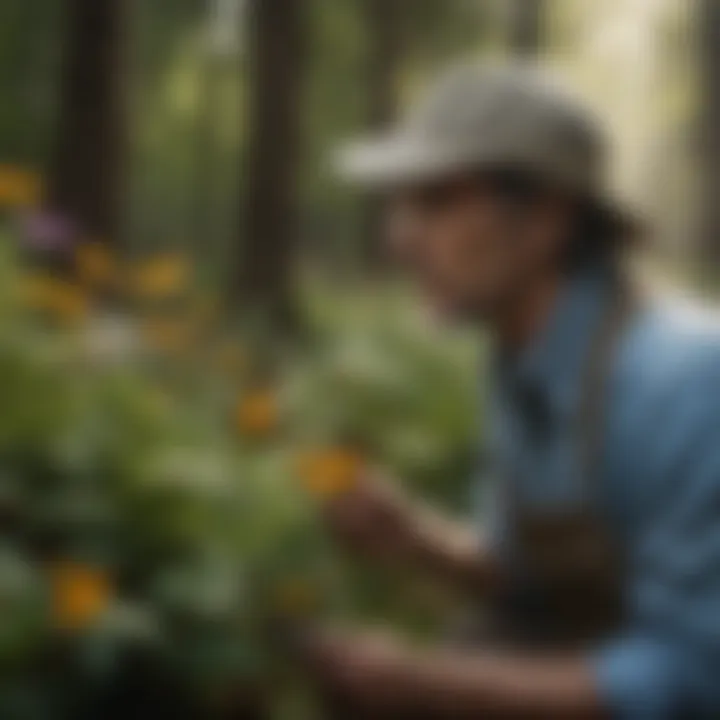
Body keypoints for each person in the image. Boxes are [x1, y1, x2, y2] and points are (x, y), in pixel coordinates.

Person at [299, 63, 720, 719]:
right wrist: (415, 537)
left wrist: (425, 684)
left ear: (547, 217)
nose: (399, 240)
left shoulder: (682, 384)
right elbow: (530, 582)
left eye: (437, 200)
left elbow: (690, 676)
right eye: (402, 204)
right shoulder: (521, 359)